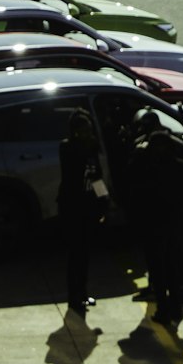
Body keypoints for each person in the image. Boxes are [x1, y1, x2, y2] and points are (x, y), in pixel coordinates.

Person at [120, 110, 183, 328]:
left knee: (158, 268)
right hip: (172, 223)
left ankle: (163, 306)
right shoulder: (181, 167)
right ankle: (175, 303)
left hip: (153, 225)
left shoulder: (144, 166)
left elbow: (131, 188)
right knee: (171, 265)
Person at [57, 110, 105, 319]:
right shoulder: (67, 147)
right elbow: (72, 173)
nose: (87, 133)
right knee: (75, 254)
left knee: (84, 253)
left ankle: (83, 292)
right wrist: (86, 148)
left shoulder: (91, 149)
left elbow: (97, 177)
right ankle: (73, 295)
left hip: (88, 205)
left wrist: (103, 201)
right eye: (82, 130)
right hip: (72, 207)